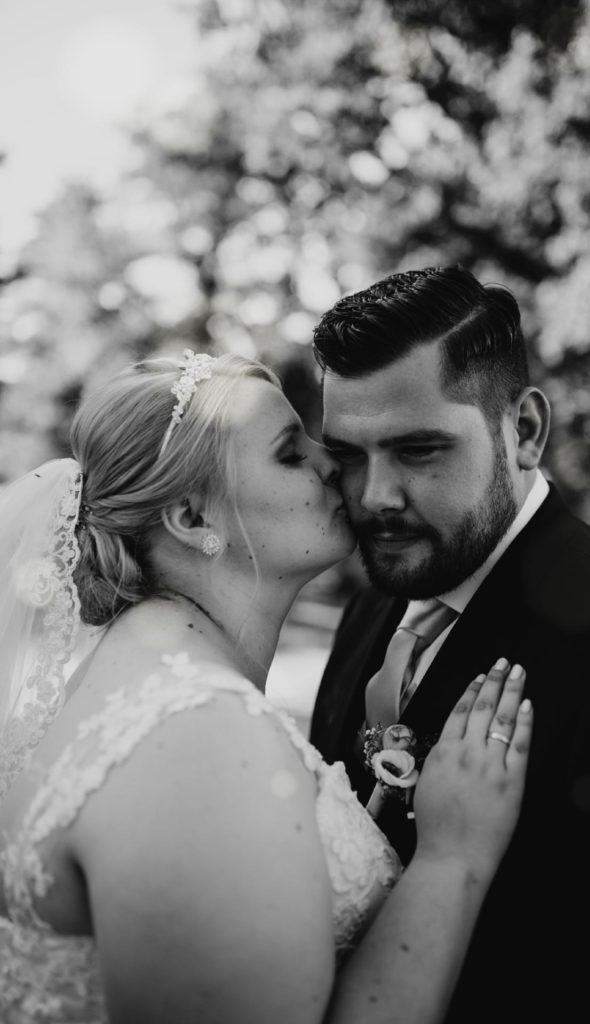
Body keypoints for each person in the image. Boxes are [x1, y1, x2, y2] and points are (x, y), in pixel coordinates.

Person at [0, 349, 533, 1023]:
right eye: (289, 452)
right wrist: (451, 859)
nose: (330, 460)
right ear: (193, 520)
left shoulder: (132, 677)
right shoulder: (201, 742)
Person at [310, 265, 590, 1021]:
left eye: (418, 450)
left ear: (523, 432)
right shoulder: (372, 605)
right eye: (349, 455)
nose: (375, 496)